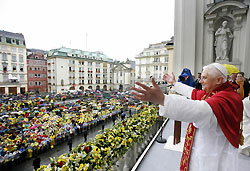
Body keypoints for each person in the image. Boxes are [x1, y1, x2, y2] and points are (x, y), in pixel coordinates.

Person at [131, 63, 243, 171]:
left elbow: (199, 109)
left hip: (213, 153)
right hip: (206, 147)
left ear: (219, 80)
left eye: (204, 78)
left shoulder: (226, 98)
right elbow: (193, 92)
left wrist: (162, 99)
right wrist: (174, 83)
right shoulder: (218, 91)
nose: (200, 81)